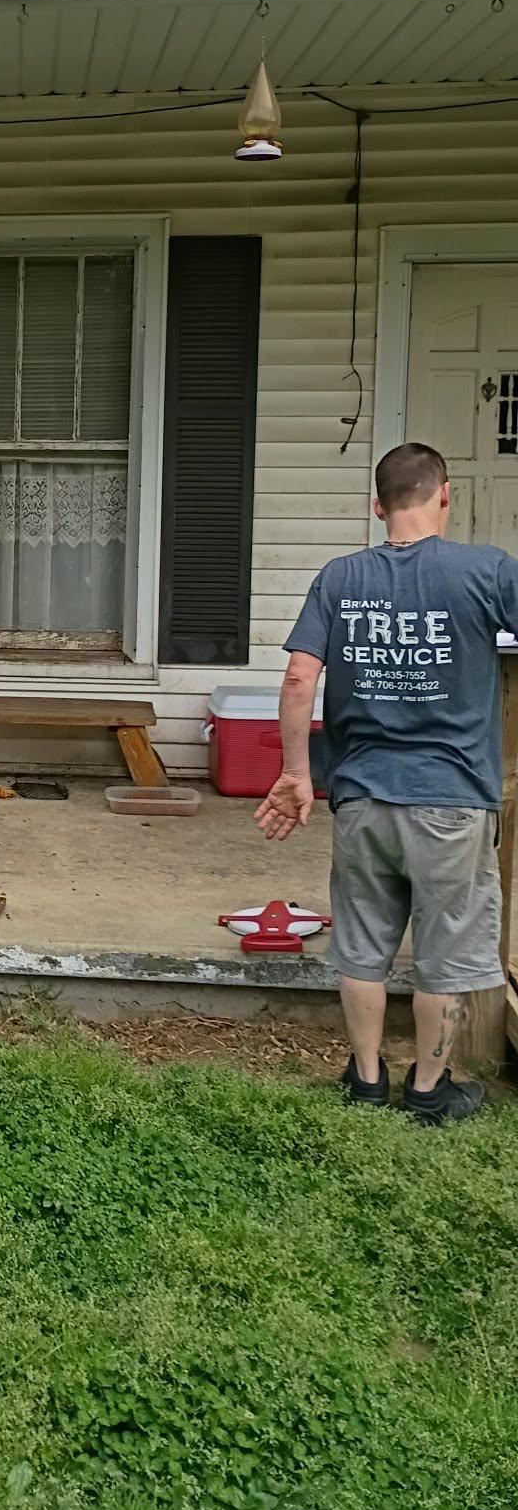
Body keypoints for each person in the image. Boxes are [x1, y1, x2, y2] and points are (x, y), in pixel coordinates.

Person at [255, 442, 514, 1125]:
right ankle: (429, 1089)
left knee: (364, 944)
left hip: (363, 794)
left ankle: (366, 1080)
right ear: (445, 494)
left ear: (377, 506)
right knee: (447, 948)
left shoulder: (340, 577)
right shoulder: (485, 570)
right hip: (453, 799)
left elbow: (298, 677)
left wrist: (295, 773)